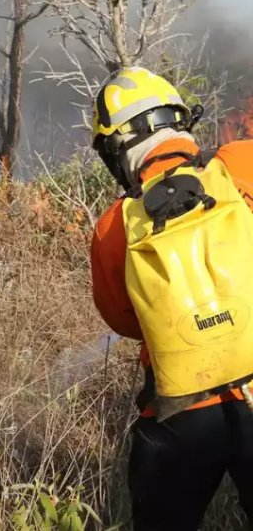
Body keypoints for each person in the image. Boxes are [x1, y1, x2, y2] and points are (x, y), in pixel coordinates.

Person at [90, 66, 253, 530]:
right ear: (178, 119)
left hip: (179, 411)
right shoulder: (242, 162)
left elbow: (124, 321)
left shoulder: (113, 226)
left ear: (116, 148)